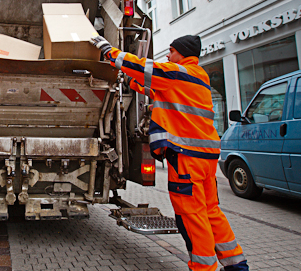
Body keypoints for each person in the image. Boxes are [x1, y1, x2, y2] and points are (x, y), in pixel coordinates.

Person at [90, 34, 248, 271]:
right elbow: (156, 90)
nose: (168, 55)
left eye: (171, 51)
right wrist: (130, 83)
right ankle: (236, 264)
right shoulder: (198, 77)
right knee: (211, 211)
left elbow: (141, 66)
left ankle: (203, 267)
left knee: (191, 215)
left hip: (187, 157)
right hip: (206, 157)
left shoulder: (176, 73)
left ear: (182, 53)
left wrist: (108, 51)